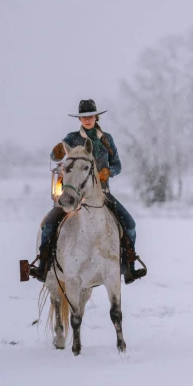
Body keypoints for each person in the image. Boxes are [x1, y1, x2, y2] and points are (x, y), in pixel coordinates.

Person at [29, 99, 146, 284]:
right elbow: (54, 156)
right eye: (84, 117)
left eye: (90, 116)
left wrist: (109, 172)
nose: (87, 120)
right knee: (49, 224)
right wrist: (57, 152)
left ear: (96, 116)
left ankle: (128, 267)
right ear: (80, 119)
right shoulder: (72, 138)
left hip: (102, 193)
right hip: (74, 193)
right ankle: (43, 266)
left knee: (130, 225)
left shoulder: (106, 139)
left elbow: (118, 165)